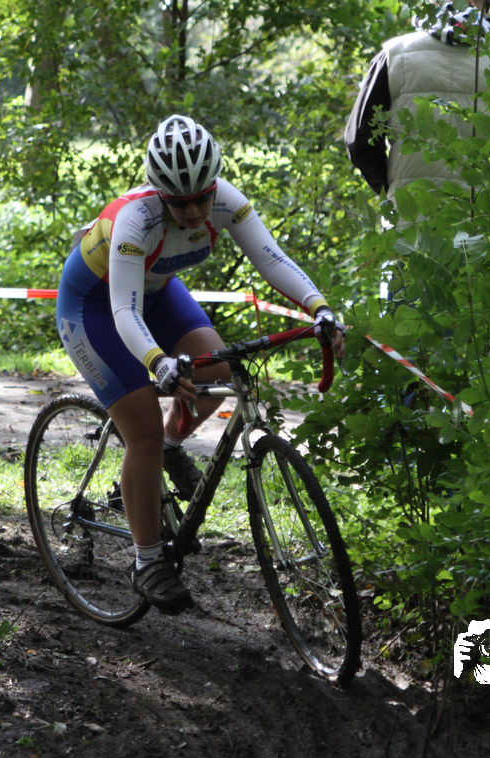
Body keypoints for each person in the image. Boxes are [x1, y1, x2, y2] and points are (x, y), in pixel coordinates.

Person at [55, 114, 346, 615]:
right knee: (142, 428)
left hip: (156, 294)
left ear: (213, 186)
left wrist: (319, 308)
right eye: (179, 202)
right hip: (95, 308)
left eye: (201, 198)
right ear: (160, 193)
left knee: (217, 372)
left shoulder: (226, 201)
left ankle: (171, 448)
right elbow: (123, 310)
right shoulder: (135, 220)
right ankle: (147, 560)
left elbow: (272, 259)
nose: (192, 211)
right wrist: (157, 361)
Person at [343, 0, 490, 234]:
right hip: (488, 226)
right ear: (482, 5)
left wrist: (392, 188)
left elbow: (359, 142)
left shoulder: (395, 54)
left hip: (411, 225)